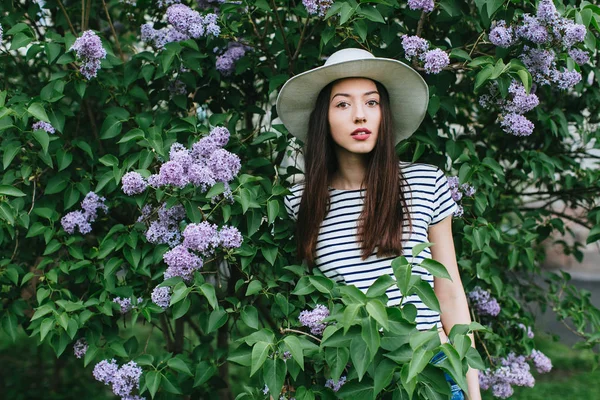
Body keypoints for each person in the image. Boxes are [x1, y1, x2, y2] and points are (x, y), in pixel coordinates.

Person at [277, 48, 481, 400]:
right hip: (353, 376)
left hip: (428, 368)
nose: (360, 116)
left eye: (372, 103)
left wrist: (473, 391)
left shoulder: (423, 182)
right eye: (343, 104)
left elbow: (449, 291)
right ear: (322, 117)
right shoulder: (301, 202)